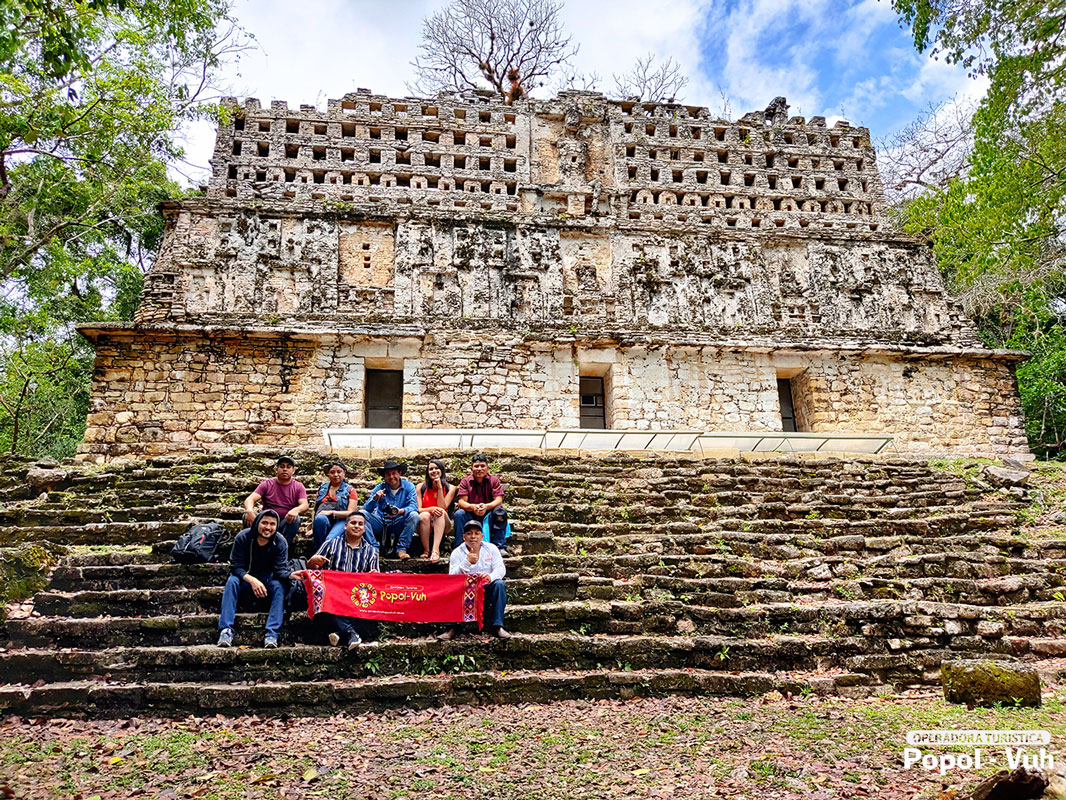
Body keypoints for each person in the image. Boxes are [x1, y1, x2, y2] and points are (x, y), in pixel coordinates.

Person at [291, 511, 379, 649]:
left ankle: (342, 634)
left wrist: (374, 575)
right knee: (323, 608)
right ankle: (350, 633)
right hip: (332, 597)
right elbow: (313, 569)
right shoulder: (331, 544)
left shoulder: (371, 552)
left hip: (356, 598)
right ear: (345, 526)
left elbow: (375, 581)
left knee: (373, 619)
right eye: (353, 523)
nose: (356, 526)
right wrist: (311, 562)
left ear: (365, 528)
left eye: (360, 524)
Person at [217, 509, 291, 648]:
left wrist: (291, 575)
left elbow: (280, 570)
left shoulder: (280, 542)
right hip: (245, 580)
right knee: (232, 581)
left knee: (279, 586)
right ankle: (226, 630)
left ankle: (272, 634)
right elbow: (236, 567)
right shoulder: (243, 537)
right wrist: (252, 580)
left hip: (267, 582)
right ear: (257, 523)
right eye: (264, 523)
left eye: (272, 524)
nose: (268, 527)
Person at [439, 519, 511, 640]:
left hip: (485, 590)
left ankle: (498, 626)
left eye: (476, 533)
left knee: (499, 584)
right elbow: (452, 577)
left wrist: (490, 577)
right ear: (463, 537)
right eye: (469, 533)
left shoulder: (491, 549)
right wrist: (466, 563)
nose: (473, 537)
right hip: (464, 592)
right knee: (448, 589)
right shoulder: (457, 553)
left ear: (482, 536)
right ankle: (450, 628)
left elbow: (500, 569)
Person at [243, 455, 308, 548]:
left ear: (293, 470)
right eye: (282, 466)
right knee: (246, 516)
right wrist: (249, 510)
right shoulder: (267, 484)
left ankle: (283, 549)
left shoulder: (298, 486)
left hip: (285, 521)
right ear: (276, 469)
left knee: (296, 519)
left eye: (288, 467)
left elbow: (304, 504)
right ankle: (252, 547)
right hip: (266, 519)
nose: (285, 469)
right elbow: (250, 499)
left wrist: (296, 510)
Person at [452, 453, 509, 555]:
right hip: (471, 514)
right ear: (471, 468)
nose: (479, 469)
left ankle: (500, 546)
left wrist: (486, 506)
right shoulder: (465, 481)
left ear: (488, 467)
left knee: (500, 511)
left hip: (489, 514)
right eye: (476, 466)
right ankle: (459, 547)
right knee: (459, 514)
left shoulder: (494, 480)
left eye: (482, 466)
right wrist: (473, 507)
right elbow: (461, 502)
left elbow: (498, 500)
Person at [363, 458, 419, 560]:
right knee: (361, 514)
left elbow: (414, 506)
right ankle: (374, 548)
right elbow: (367, 508)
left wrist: (400, 511)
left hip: (399, 522)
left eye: (394, 473)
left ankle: (401, 549)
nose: (391, 477)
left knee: (414, 515)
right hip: (381, 522)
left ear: (399, 473)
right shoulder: (379, 487)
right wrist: (375, 498)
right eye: (388, 474)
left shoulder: (409, 486)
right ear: (384, 476)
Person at [311, 461, 364, 550]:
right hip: (323, 521)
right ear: (328, 474)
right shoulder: (322, 488)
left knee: (330, 539)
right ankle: (319, 553)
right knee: (320, 519)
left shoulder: (350, 490)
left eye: (339, 472)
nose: (336, 475)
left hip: (341, 520)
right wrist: (313, 526)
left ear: (344, 473)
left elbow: (351, 513)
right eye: (332, 472)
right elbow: (315, 509)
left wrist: (331, 512)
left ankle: (326, 555)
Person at [416, 459, 456, 562]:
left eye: (436, 468)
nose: (434, 471)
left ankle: (435, 550)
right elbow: (419, 509)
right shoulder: (421, 487)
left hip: (442, 522)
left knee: (440, 511)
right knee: (424, 515)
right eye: (431, 469)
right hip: (426, 522)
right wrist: (431, 509)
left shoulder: (451, 488)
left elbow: (443, 506)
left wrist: (439, 488)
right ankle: (426, 550)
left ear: (442, 470)